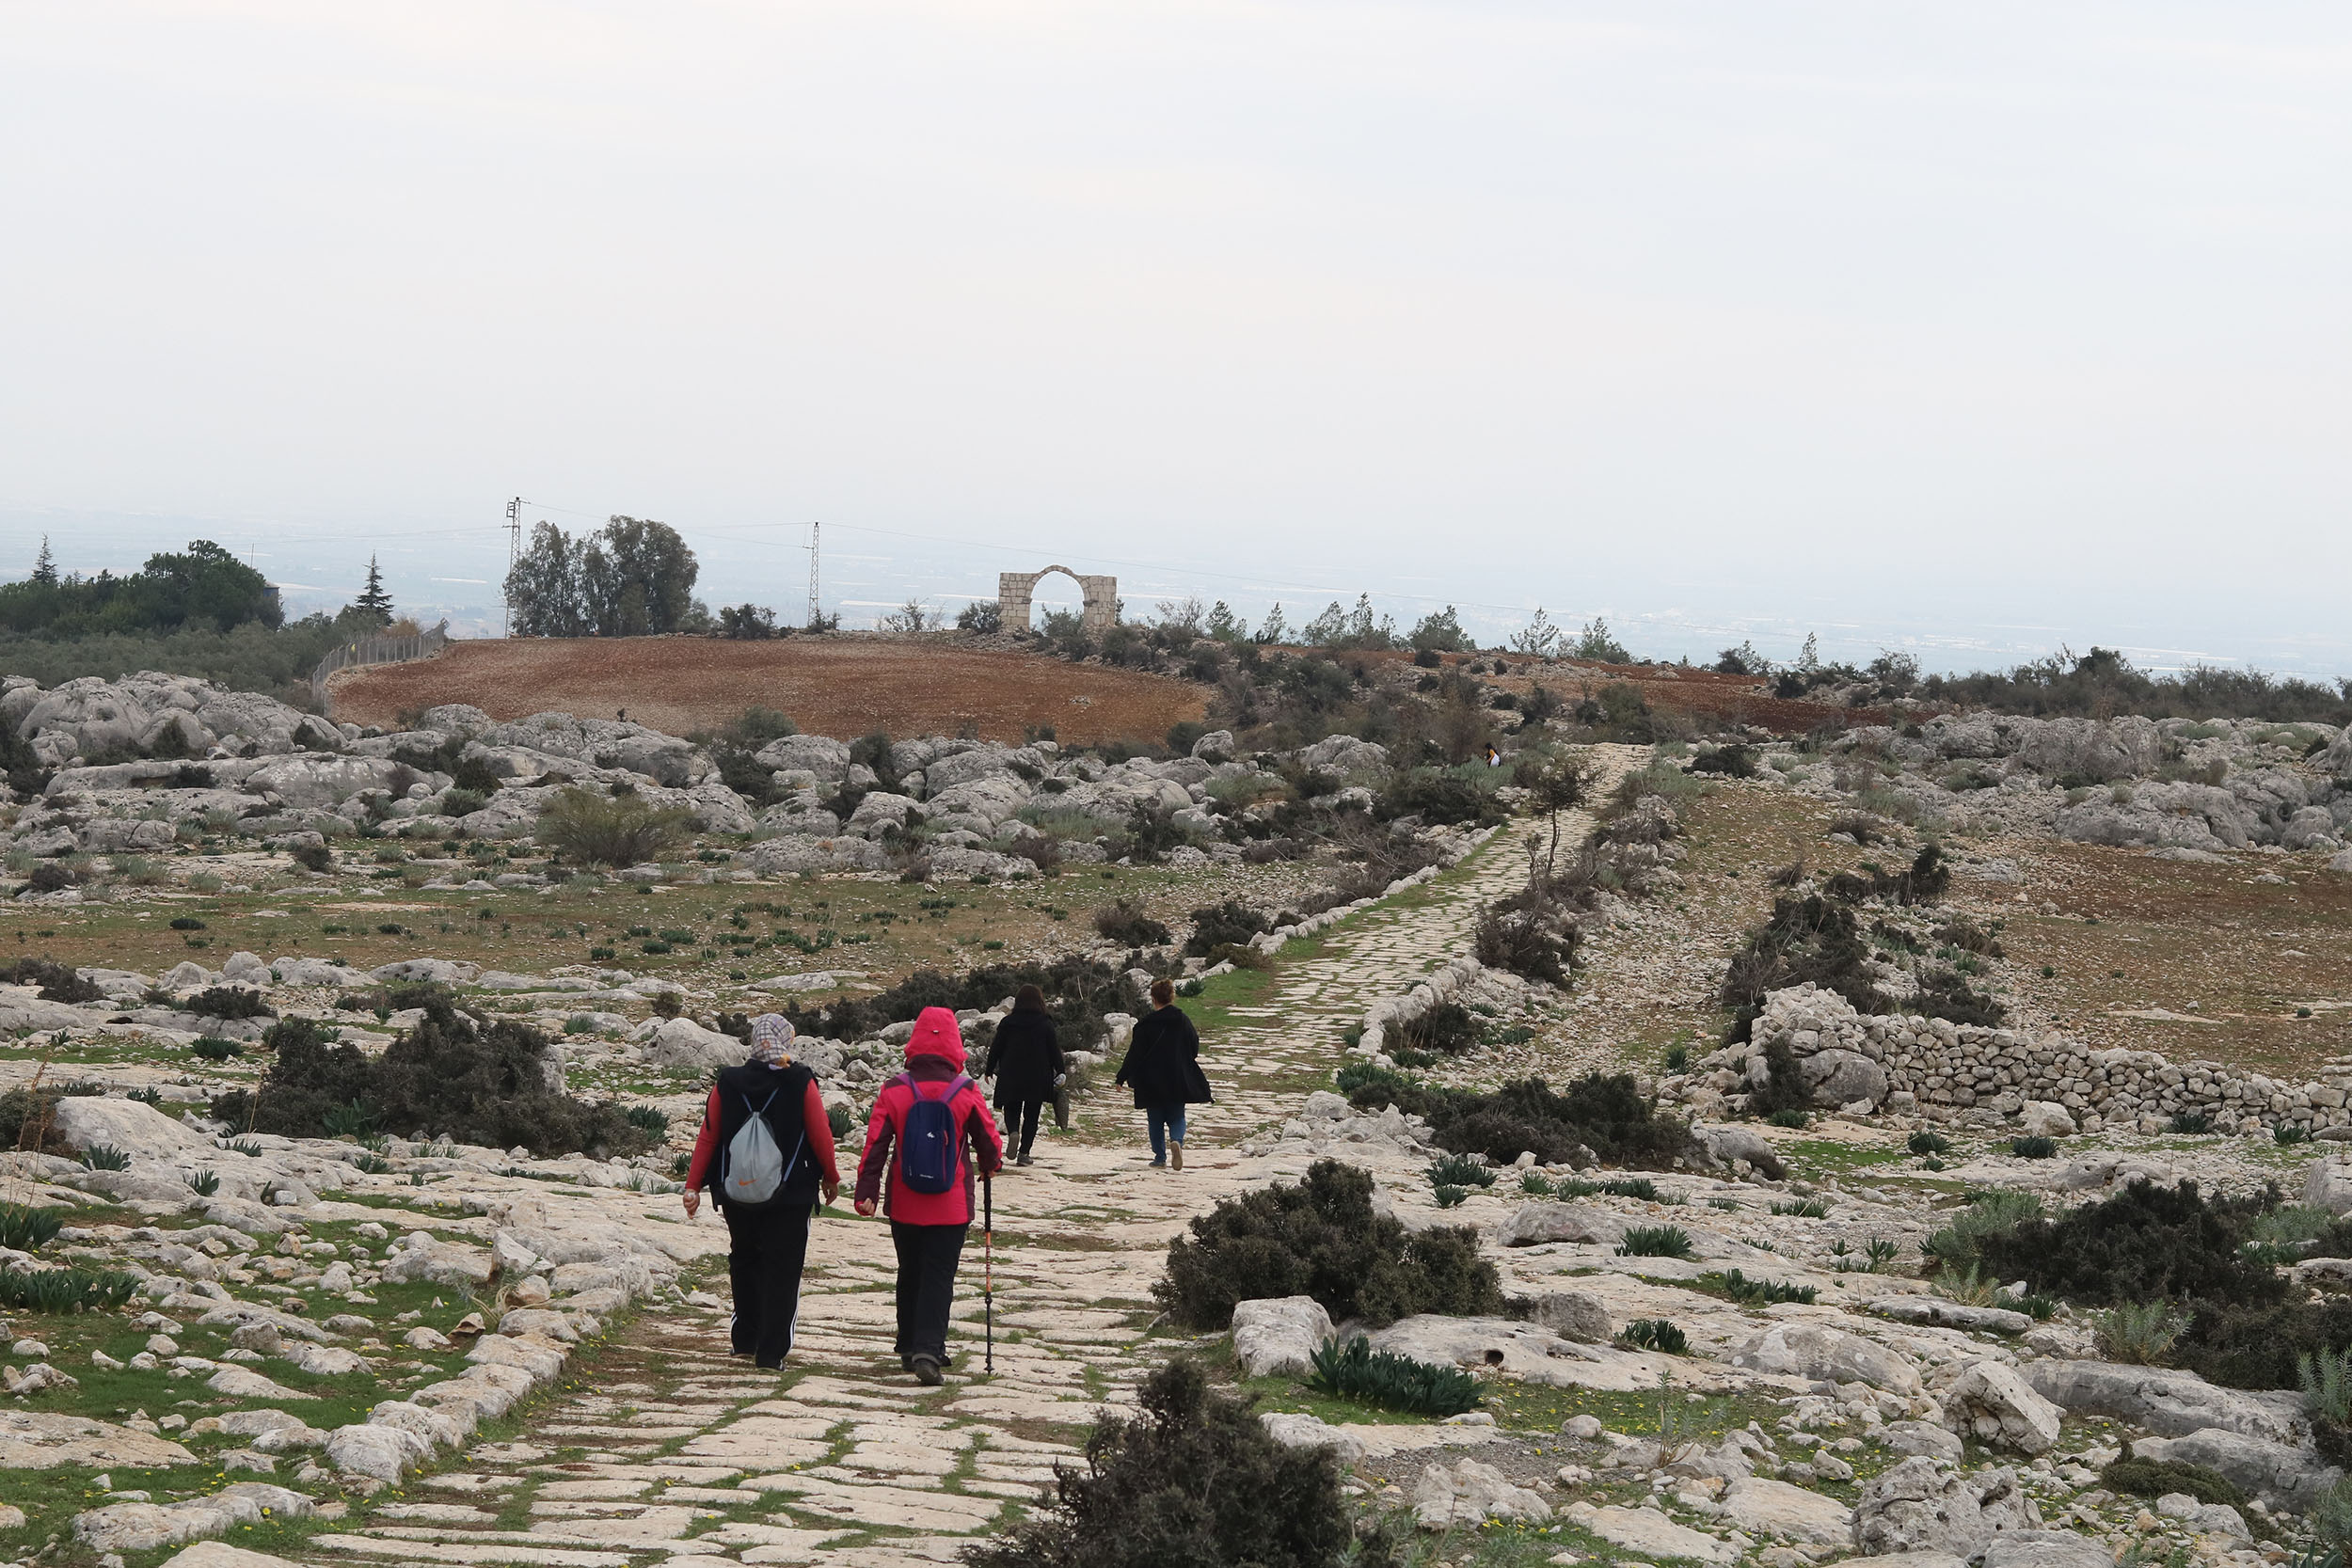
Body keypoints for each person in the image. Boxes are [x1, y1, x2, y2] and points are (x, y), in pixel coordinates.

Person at [853, 1006, 1004, 1386]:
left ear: (913, 1045)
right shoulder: (965, 1091)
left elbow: (875, 1146)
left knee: (910, 1271)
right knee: (938, 1276)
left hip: (904, 1202)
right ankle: (927, 1350)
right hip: (950, 1205)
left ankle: (908, 1345)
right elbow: (989, 1143)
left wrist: (867, 1192)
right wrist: (990, 1164)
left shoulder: (894, 1090)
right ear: (956, 1047)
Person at [682, 1014, 840, 1369]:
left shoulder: (728, 1081)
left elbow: (709, 1133)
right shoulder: (800, 1080)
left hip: (737, 1192)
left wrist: (693, 1185)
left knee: (745, 1260)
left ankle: (745, 1339)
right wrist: (830, 1176)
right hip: (790, 1193)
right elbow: (820, 1133)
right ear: (787, 1041)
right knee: (783, 1268)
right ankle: (771, 1352)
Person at [1113, 977, 1213, 1170]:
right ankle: (1177, 1141)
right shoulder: (1182, 1020)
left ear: (1153, 998)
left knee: (1155, 1120)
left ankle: (1160, 1157)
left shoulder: (1145, 1024)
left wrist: (1121, 1077)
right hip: (1177, 1076)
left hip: (1151, 1080)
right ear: (1172, 997)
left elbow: (1134, 1054)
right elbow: (1194, 1046)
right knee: (1177, 1116)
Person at [983, 984, 1066, 1167]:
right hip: (1038, 1076)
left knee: (1011, 1107)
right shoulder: (1045, 1023)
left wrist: (989, 1069)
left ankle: (1013, 1131)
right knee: (1032, 1114)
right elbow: (1054, 1050)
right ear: (1039, 1001)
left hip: (1011, 1073)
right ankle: (1024, 1153)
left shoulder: (1008, 1023)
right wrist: (1061, 1071)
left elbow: (996, 1048)